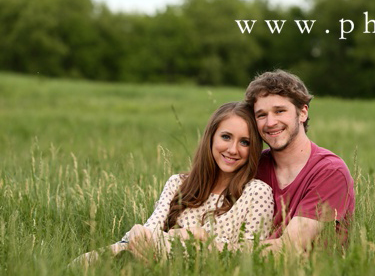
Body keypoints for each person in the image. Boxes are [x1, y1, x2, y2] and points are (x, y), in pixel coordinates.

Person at [74, 101, 273, 263]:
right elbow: (152, 226)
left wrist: (200, 238)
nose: (233, 149)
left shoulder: (257, 192)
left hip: (199, 267)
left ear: (254, 148)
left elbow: (252, 253)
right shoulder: (179, 183)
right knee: (86, 261)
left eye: (244, 142)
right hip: (152, 253)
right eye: (226, 137)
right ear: (211, 138)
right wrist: (138, 232)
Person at [244, 69, 356, 253]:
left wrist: (210, 246)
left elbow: (290, 248)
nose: (270, 122)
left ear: (302, 112)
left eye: (279, 111)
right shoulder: (254, 167)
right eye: (261, 115)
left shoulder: (330, 172)